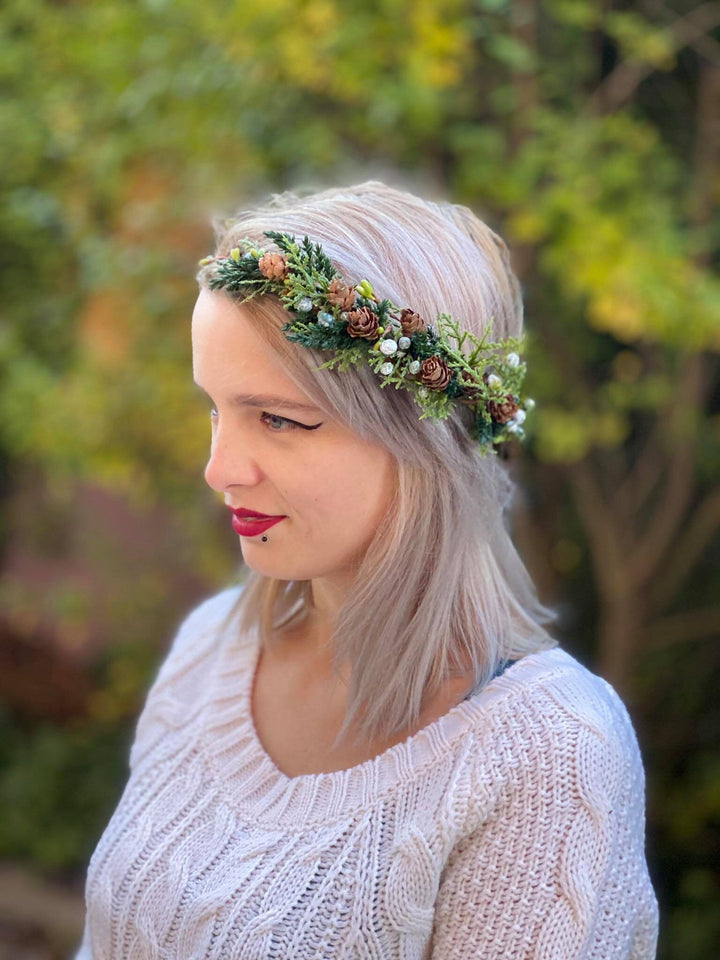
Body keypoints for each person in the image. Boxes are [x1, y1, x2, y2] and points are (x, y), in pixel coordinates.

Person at [73, 180, 659, 959]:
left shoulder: (545, 753)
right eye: (215, 408)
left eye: (278, 419)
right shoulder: (212, 648)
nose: (219, 469)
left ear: (424, 438)